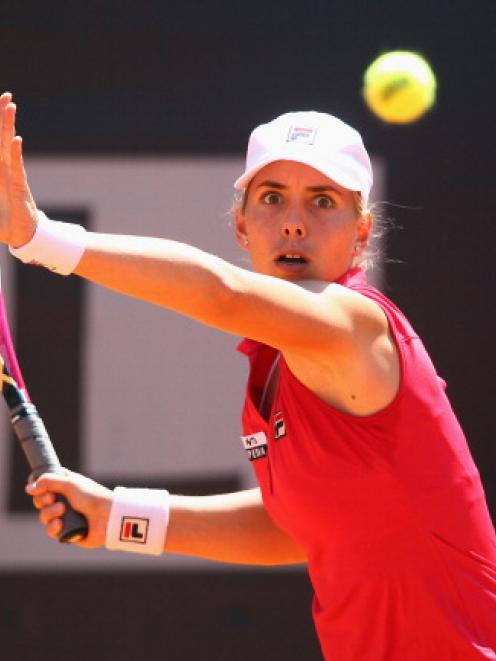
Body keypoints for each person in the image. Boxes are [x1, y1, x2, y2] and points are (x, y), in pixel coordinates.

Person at [0, 91, 495, 660]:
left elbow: (223, 293)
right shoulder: (280, 365)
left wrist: (40, 239)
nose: (292, 223)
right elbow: (301, 526)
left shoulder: (355, 325)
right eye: (272, 197)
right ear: (242, 224)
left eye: (322, 201)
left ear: (361, 232)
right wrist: (117, 517)